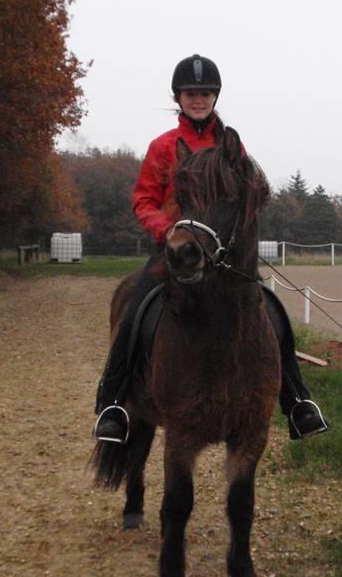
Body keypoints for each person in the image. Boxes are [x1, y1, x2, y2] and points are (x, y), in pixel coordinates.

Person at [93, 54, 328, 444]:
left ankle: (297, 400)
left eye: (204, 93)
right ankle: (113, 403)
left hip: (224, 255)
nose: (197, 100)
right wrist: (168, 231)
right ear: (179, 98)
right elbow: (143, 201)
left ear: (214, 97)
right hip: (176, 248)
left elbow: (251, 192)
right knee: (134, 313)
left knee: (272, 311)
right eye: (190, 93)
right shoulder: (162, 147)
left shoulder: (231, 146)